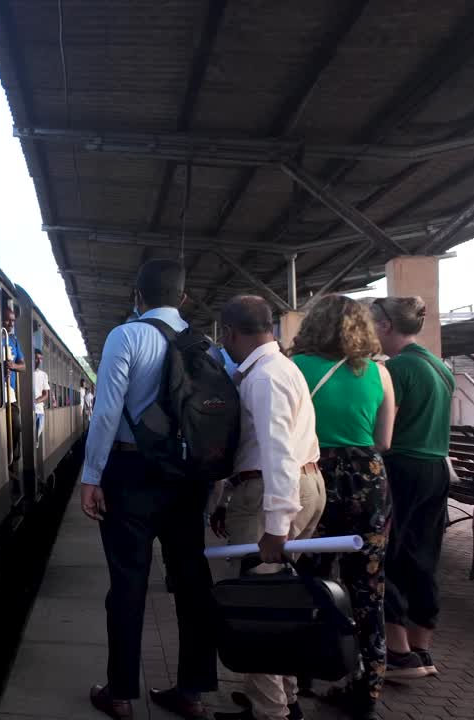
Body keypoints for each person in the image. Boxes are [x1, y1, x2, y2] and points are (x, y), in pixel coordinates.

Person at [80, 259, 217, 720]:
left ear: (136, 297)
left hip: (131, 473)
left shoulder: (126, 335)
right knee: (192, 581)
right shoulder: (204, 344)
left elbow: (105, 411)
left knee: (128, 583)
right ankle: (192, 692)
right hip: (186, 478)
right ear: (182, 298)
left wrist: (91, 476)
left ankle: (120, 695)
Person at [276, 295, 395, 720]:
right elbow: (384, 441)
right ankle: (369, 685)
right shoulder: (380, 373)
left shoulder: (297, 369)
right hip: (369, 479)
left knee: (309, 577)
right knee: (368, 587)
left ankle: (301, 675)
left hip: (315, 473)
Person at [208, 296, 325, 720]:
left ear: (230, 334)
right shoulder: (283, 368)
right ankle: (284, 696)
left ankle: (270, 710)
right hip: (305, 484)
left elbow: (275, 453)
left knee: (256, 603)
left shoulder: (263, 379)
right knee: (284, 598)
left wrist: (275, 525)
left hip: (272, 493)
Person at [370, 296, 455, 680]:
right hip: (436, 469)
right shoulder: (438, 365)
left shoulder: (398, 368)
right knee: (423, 555)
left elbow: (384, 428)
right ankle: (422, 648)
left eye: (372, 323)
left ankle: (398, 652)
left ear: (386, 326)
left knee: (390, 556)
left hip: (402, 468)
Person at [3, 307, 25, 461]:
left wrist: (13, 366)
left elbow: (23, 366)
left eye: (13, 321)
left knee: (16, 425)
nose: (11, 323)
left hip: (9, 390)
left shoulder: (14, 340)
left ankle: (12, 456)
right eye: (8, 320)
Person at [33, 350, 50, 447]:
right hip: (31, 412)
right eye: (36, 358)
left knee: (36, 440)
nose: (39, 361)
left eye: (40, 359)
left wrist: (35, 402)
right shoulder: (27, 372)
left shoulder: (43, 375)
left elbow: (45, 394)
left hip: (40, 411)